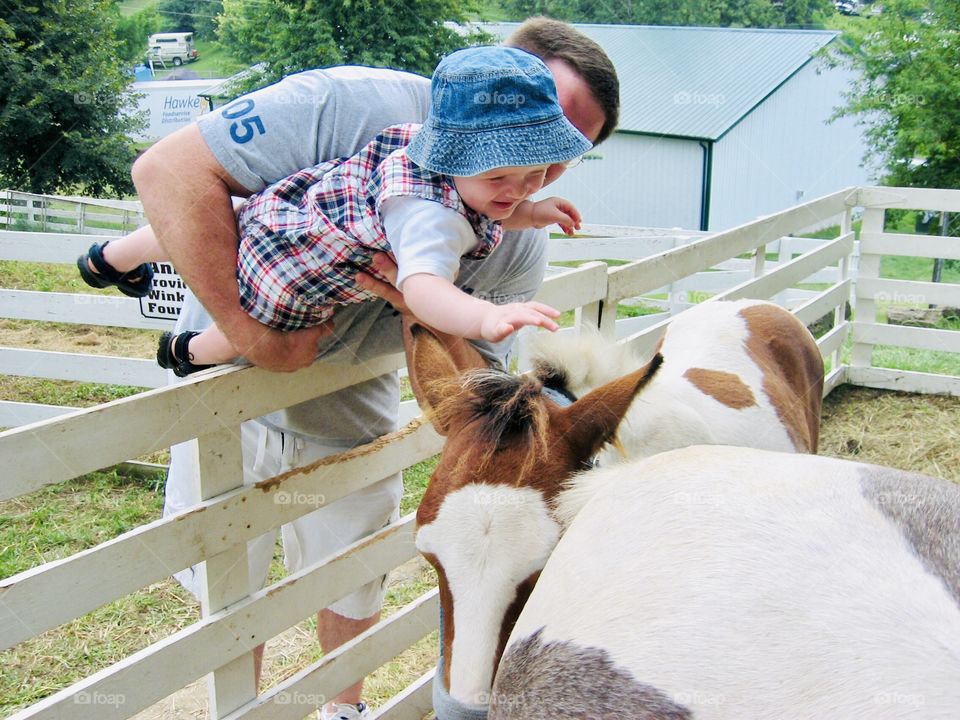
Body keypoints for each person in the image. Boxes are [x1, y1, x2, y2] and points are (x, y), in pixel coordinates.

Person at [132, 18, 619, 720]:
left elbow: (477, 387)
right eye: (530, 113)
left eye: (564, 147)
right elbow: (166, 171)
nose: (536, 163)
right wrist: (250, 335)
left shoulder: (512, 239)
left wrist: (420, 312)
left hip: (351, 391)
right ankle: (233, 710)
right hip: (230, 363)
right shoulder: (353, 104)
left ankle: (343, 710)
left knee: (349, 568)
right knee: (225, 570)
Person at [78, 47, 591, 377]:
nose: (517, 189)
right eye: (501, 177)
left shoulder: (438, 154)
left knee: (230, 216)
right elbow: (424, 289)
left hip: (283, 213)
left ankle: (109, 259)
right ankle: (185, 352)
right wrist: (485, 315)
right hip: (289, 276)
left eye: (535, 173)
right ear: (455, 161)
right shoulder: (431, 220)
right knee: (250, 332)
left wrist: (532, 209)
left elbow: (495, 206)